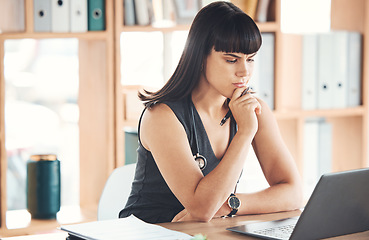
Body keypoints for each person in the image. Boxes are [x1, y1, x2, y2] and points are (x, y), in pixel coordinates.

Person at [119, 1, 302, 224]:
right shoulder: (162, 116)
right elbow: (203, 209)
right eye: (231, 59)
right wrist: (245, 132)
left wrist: (230, 205)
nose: (244, 71)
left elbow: (293, 193)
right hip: (147, 233)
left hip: (203, 232)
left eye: (250, 59)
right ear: (200, 56)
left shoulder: (252, 110)